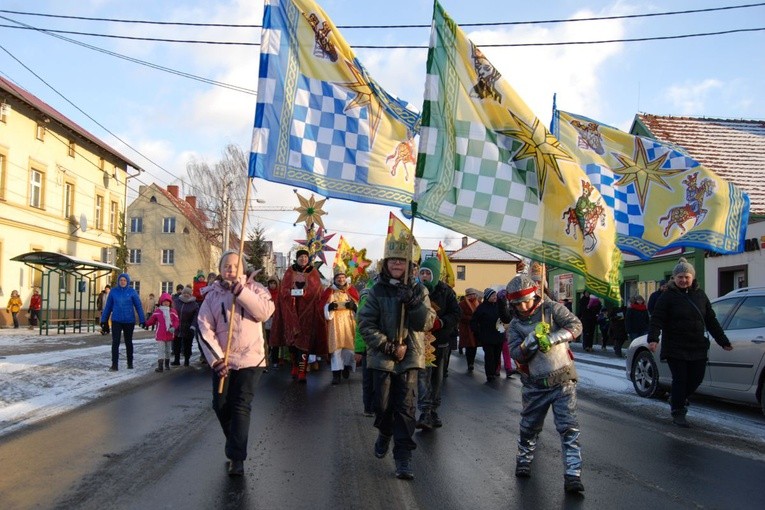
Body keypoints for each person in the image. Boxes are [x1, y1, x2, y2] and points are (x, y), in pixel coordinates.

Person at [358, 239, 435, 480]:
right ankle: (384, 431)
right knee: (382, 406)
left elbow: (427, 323)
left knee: (406, 409)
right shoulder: (376, 290)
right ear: (386, 263)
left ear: (409, 264)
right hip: (383, 358)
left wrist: (413, 303)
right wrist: (389, 346)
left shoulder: (419, 290)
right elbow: (366, 324)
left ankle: (403, 458)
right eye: (393, 260)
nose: (397, 264)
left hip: (410, 358)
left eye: (401, 261)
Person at [197, 250, 275, 476]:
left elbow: (265, 312)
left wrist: (241, 292)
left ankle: (237, 458)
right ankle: (234, 442)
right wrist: (217, 359)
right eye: (226, 266)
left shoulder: (256, 289)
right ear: (220, 270)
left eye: (235, 266)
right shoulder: (212, 295)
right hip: (225, 359)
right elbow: (204, 328)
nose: (230, 270)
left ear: (243, 269)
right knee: (220, 404)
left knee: (241, 406)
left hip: (251, 358)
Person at [505, 274, 585, 493]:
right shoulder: (514, 326)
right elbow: (515, 354)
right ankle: (524, 459)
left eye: (526, 301)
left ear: (534, 295)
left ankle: (573, 474)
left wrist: (553, 338)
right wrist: (528, 343)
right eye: (517, 303)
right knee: (529, 426)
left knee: (568, 428)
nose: (522, 306)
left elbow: (576, 325)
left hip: (562, 379)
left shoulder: (552, 309)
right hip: (535, 384)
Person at [647, 257, 733, 428]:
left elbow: (711, 320)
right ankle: (678, 411)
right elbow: (657, 319)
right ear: (674, 278)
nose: (683, 280)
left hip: (697, 345)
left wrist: (723, 341)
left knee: (696, 378)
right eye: (680, 277)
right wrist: (653, 339)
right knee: (680, 379)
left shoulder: (700, 295)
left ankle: (677, 398)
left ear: (692, 277)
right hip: (675, 346)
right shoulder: (667, 297)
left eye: (687, 276)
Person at [415, 257, 460, 431]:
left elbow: (456, 313)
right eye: (422, 272)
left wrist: (441, 323)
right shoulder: (415, 290)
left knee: (437, 378)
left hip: (440, 342)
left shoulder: (446, 291)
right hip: (420, 342)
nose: (425, 276)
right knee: (423, 377)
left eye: (428, 273)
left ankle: (433, 410)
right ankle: (425, 412)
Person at [271, 248, 326, 383]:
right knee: (292, 343)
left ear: (308, 259)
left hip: (307, 313)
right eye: (301, 257)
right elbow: (283, 289)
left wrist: (305, 293)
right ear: (297, 258)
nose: (303, 259)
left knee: (304, 345)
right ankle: (295, 366)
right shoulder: (290, 271)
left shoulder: (313, 272)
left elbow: (317, 291)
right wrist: (291, 291)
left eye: (305, 257)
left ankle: (302, 370)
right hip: (291, 311)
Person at [321, 267, 360, 385]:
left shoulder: (351, 290)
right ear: (335, 279)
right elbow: (322, 306)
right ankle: (336, 374)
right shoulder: (329, 291)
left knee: (349, 349)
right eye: (338, 278)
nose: (341, 279)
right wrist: (329, 307)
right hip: (335, 323)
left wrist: (354, 306)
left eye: (343, 277)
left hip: (349, 322)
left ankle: (346, 367)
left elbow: (359, 305)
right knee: (336, 349)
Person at [100, 273, 145, 371]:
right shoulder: (113, 292)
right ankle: (114, 364)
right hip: (116, 320)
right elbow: (108, 307)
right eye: (121, 280)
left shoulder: (132, 292)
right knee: (115, 342)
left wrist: (142, 320)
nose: (122, 282)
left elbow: (138, 306)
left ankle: (130, 362)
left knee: (128, 342)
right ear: (118, 281)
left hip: (129, 321)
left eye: (124, 280)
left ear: (127, 281)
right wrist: (104, 320)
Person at [470, 288, 504, 382]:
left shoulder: (499, 306)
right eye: (493, 296)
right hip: (487, 336)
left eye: (495, 296)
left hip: (499, 335)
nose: (495, 297)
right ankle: (490, 374)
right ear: (488, 297)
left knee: (497, 356)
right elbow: (474, 321)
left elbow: (506, 317)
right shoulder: (482, 308)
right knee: (489, 356)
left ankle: (494, 370)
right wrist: (477, 332)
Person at [145, 292, 179, 372]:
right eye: (164, 301)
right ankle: (160, 366)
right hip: (160, 334)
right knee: (161, 350)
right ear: (161, 302)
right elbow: (152, 320)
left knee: (167, 350)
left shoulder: (173, 312)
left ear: (170, 302)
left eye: (167, 301)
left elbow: (176, 321)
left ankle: (167, 364)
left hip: (169, 333)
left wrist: (174, 327)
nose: (166, 303)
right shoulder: (158, 311)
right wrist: (145, 324)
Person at [173, 286, 199, 366]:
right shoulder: (176, 302)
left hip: (188, 327)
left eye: (188, 293)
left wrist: (193, 326)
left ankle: (186, 360)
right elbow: (172, 312)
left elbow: (196, 316)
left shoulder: (194, 304)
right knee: (176, 344)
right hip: (177, 326)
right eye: (184, 293)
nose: (186, 295)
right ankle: (176, 360)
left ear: (191, 294)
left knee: (187, 345)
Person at [458, 288, 481, 372]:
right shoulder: (462, 304)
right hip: (466, 328)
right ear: (467, 296)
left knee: (474, 346)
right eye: (470, 295)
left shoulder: (479, 303)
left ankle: (472, 362)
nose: (472, 296)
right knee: (469, 346)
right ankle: (469, 363)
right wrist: (472, 319)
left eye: (473, 294)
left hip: (476, 328)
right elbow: (461, 315)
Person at [264, 276, 281, 368]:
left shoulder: (279, 293)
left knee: (275, 341)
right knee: (266, 340)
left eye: (274, 283)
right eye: (271, 283)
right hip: (267, 319)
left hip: (276, 319)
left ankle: (275, 359)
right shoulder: (265, 293)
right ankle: (266, 358)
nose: (272, 285)